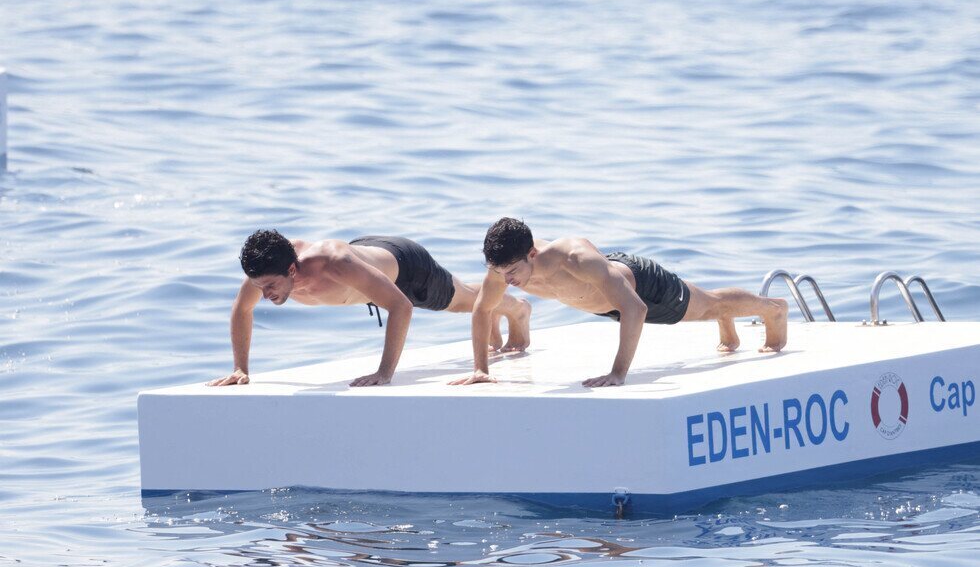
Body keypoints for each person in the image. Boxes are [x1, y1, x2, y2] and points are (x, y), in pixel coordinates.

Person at [451, 217, 788, 388]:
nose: (506, 280)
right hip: (606, 297)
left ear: (532, 254)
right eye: (499, 272)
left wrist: (617, 373)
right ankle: (726, 322)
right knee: (706, 307)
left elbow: (636, 308)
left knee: (707, 305)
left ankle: (774, 310)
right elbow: (482, 308)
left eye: (512, 272)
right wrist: (481, 368)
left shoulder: (573, 257)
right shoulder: (503, 268)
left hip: (640, 286)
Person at [208, 229, 530, 387]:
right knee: (465, 299)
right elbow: (241, 310)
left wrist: (384, 373)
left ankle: (516, 310)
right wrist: (242, 369)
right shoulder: (264, 272)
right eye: (258, 286)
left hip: (405, 267)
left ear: (292, 271)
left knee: (461, 301)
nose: (263, 295)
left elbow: (402, 307)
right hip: (367, 259)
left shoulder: (334, 264)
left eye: (270, 287)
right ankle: (498, 311)